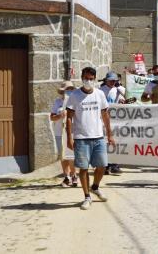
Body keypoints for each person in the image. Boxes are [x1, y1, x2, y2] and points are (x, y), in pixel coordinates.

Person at [66, 67, 114, 210]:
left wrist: (110, 135)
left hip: (98, 136)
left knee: (102, 166)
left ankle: (95, 187)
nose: (88, 81)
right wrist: (70, 137)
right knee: (84, 169)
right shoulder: (74, 95)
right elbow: (69, 118)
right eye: (85, 78)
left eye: (91, 78)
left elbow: (105, 115)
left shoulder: (99, 94)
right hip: (81, 137)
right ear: (82, 78)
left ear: (95, 79)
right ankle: (87, 197)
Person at [50, 81, 77, 187]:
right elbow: (52, 117)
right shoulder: (57, 102)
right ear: (63, 91)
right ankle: (67, 177)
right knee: (63, 156)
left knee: (71, 156)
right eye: (67, 89)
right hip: (59, 133)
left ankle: (74, 175)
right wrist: (60, 116)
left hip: (71, 133)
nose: (69, 91)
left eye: (71, 89)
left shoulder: (75, 102)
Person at [100, 71, 124, 175]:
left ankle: (115, 165)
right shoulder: (100, 91)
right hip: (103, 119)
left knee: (115, 142)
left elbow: (125, 99)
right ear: (106, 80)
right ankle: (105, 165)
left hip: (116, 119)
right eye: (111, 80)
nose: (113, 82)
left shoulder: (118, 90)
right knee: (104, 142)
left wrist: (120, 90)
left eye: (114, 80)